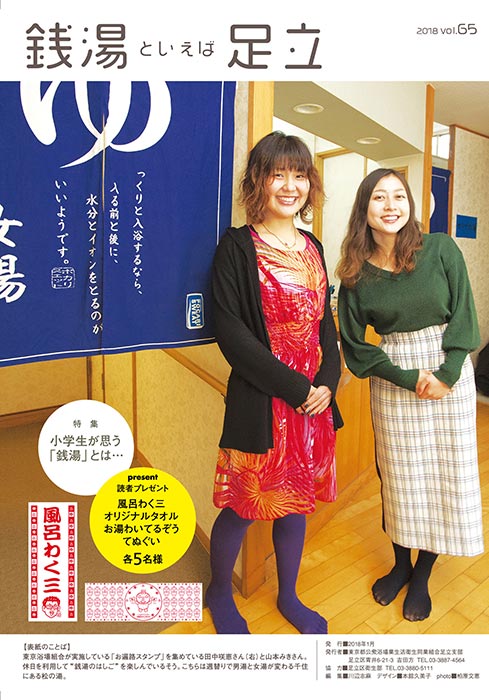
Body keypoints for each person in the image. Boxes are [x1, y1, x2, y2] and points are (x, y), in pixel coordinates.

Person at [206, 131, 343, 634]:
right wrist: (299, 389)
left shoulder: (314, 246)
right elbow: (231, 333)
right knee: (243, 505)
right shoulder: (237, 247)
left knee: (295, 501)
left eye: (299, 174)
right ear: (258, 181)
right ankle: (219, 592)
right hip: (264, 397)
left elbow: (324, 325)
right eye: (277, 174)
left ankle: (289, 595)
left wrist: (327, 383)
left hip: (312, 402)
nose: (290, 185)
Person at [336, 168, 484, 622]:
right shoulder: (356, 273)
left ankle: (422, 573)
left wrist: (447, 374)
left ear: (410, 204)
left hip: (449, 372)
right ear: (364, 209)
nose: (391, 205)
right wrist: (406, 378)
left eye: (398, 196)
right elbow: (355, 345)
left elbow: (465, 314)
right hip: (395, 376)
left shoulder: (440, 248)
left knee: (443, 473)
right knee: (400, 477)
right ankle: (400, 564)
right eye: (379, 197)